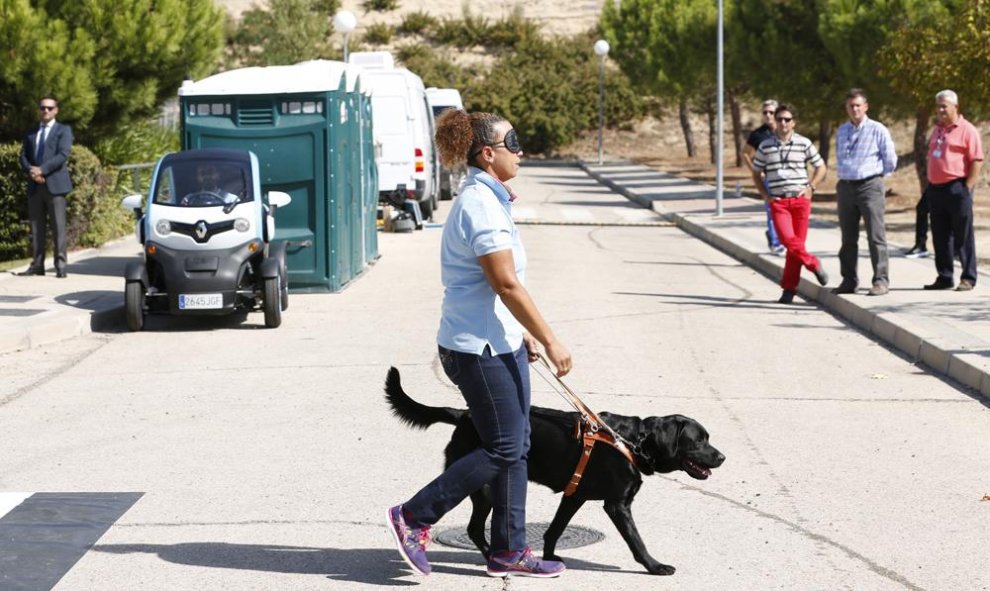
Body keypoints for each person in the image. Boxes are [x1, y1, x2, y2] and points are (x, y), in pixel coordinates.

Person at [385, 109, 569, 579]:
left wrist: (520, 332)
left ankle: (509, 551)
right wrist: (550, 339)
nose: (522, 152)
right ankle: (414, 516)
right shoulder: (480, 206)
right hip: (475, 349)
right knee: (506, 446)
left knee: (516, 444)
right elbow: (505, 284)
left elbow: (495, 287)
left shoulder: (489, 199)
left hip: (496, 340)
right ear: (489, 154)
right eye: (515, 142)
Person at [752, 104, 829, 304]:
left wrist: (812, 186)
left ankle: (789, 290)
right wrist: (764, 194)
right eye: (779, 119)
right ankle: (813, 263)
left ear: (793, 122)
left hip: (800, 200)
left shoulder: (804, 143)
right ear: (774, 122)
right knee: (788, 241)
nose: (783, 123)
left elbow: (820, 166)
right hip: (779, 201)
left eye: (787, 119)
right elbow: (756, 171)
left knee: (795, 248)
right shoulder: (765, 145)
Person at [832, 89, 898, 296]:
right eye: (851, 106)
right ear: (846, 108)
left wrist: (877, 179)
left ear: (866, 106)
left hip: (870, 186)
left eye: (858, 105)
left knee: (876, 236)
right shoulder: (842, 131)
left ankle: (880, 280)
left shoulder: (877, 129)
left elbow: (890, 160)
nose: (855, 109)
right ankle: (849, 280)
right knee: (848, 238)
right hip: (846, 187)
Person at [922, 89, 984, 291]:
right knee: (940, 235)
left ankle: (968, 277)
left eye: (944, 106)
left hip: (957, 188)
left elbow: (976, 160)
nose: (940, 110)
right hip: (936, 190)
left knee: (963, 235)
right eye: (938, 106)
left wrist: (967, 187)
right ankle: (945, 276)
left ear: (955, 107)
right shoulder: (937, 129)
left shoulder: (967, 130)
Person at [17, 96, 73, 278]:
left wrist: (42, 170)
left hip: (55, 185)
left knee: (58, 227)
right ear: (39, 110)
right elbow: (23, 155)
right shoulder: (32, 132)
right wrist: (32, 171)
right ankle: (37, 265)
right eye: (42, 108)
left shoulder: (63, 130)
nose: (46, 111)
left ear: (56, 110)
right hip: (35, 186)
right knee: (36, 227)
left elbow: (62, 155)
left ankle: (61, 266)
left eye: (49, 108)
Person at [743, 99, 786, 256]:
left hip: (788, 179)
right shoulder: (758, 135)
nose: (768, 115)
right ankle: (776, 243)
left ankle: (778, 236)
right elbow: (745, 153)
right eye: (765, 112)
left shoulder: (785, 129)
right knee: (772, 210)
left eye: (771, 112)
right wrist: (755, 171)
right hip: (769, 179)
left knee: (787, 211)